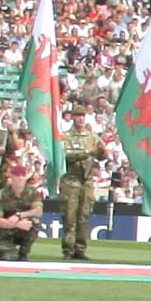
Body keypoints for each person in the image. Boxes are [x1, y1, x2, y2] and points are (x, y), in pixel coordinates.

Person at [57, 103, 104, 258]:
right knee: (70, 216)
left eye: (83, 116)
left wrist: (102, 150)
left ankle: (80, 249)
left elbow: (101, 156)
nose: (81, 119)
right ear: (72, 117)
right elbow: (67, 155)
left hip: (87, 180)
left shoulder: (92, 136)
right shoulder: (66, 136)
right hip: (71, 180)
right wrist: (85, 152)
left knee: (84, 216)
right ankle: (68, 249)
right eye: (78, 116)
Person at [0, 165, 43, 261]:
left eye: (22, 175)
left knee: (34, 222)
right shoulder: (1, 194)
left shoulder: (33, 192)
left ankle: (24, 252)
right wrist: (16, 224)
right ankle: (5, 250)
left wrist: (19, 215)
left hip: (23, 228)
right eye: (17, 175)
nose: (20, 178)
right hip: (4, 232)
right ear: (11, 176)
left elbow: (38, 211)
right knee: (8, 258)